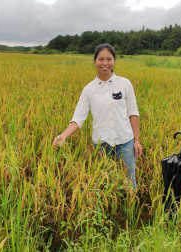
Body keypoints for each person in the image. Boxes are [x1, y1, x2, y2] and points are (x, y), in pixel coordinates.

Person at [52, 43, 142, 189]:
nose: (105, 63)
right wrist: (64, 135)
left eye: (109, 59)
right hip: (102, 144)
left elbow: (133, 113)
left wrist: (136, 141)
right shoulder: (89, 90)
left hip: (126, 141)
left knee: (129, 182)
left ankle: (130, 208)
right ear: (94, 61)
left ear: (114, 61)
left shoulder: (125, 84)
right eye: (101, 59)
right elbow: (78, 118)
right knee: (103, 184)